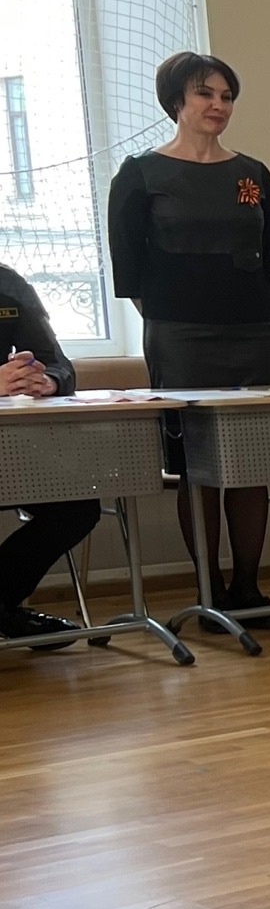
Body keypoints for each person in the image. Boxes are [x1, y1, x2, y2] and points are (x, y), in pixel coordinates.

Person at [107, 52, 270, 628]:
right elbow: (131, 275)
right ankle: (211, 593)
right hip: (180, 337)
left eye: (227, 96)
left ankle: (248, 589)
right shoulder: (140, 173)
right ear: (176, 101)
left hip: (252, 333)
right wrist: (176, 316)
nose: (218, 105)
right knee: (199, 466)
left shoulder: (253, 174)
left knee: (251, 462)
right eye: (206, 93)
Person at [0, 266, 100, 648]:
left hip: (9, 449)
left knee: (77, 506)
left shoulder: (9, 285)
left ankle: (2, 601)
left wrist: (46, 381)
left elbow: (58, 363)